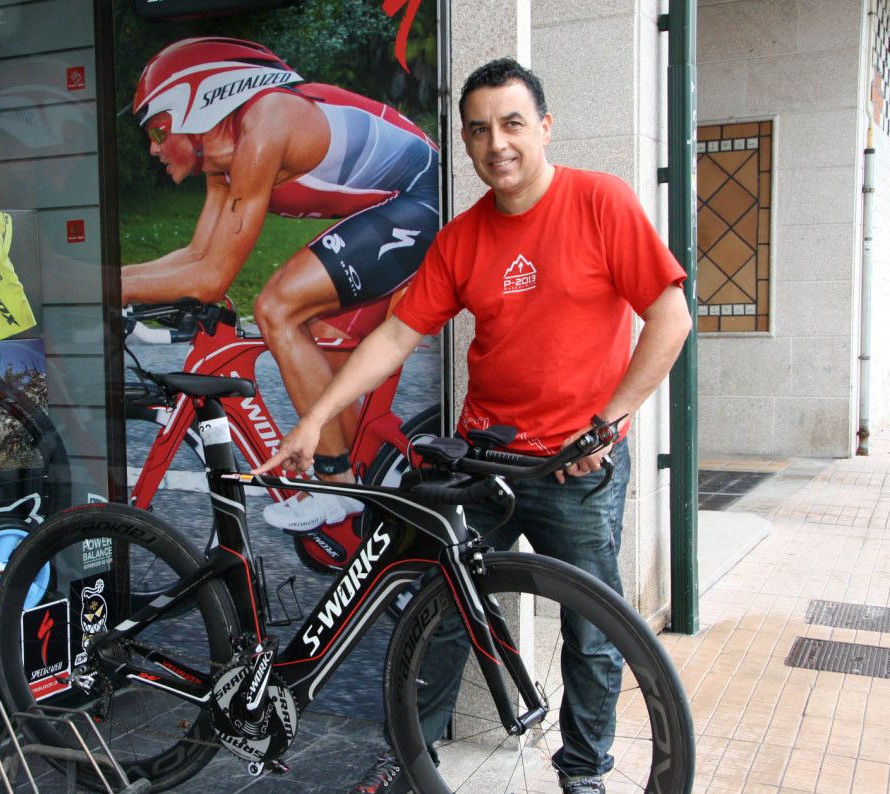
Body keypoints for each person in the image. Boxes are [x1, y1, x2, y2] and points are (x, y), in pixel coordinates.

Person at [256, 58, 691, 794]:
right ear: (465, 141)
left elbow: (670, 319)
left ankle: (583, 773)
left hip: (574, 468)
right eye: (480, 130)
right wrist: (317, 418)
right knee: (442, 617)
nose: (499, 144)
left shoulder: (602, 204)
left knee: (593, 634)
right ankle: (411, 754)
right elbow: (394, 336)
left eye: (514, 124)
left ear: (545, 128)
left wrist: (609, 422)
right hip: (481, 464)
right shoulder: (461, 239)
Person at [122, 36, 440, 533]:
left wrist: (99, 289)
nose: (154, 147)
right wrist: (111, 282)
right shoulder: (222, 156)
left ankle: (336, 486)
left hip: (421, 197)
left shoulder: (264, 123)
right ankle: (384, 509)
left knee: (276, 308)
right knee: (330, 387)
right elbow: (197, 255)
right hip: (390, 207)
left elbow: (210, 280)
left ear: (196, 105)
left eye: (160, 128)